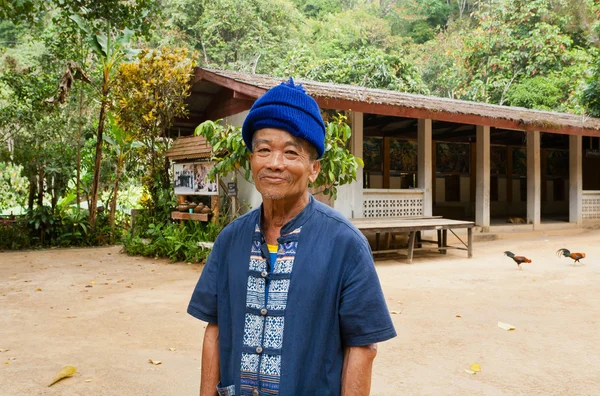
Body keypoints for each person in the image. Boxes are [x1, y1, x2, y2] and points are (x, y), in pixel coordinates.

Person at [188, 78, 396, 396]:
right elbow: (214, 330)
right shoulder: (230, 240)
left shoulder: (346, 245)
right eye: (264, 150)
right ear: (251, 160)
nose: (275, 163)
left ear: (313, 168)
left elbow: (362, 347)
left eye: (290, 152)